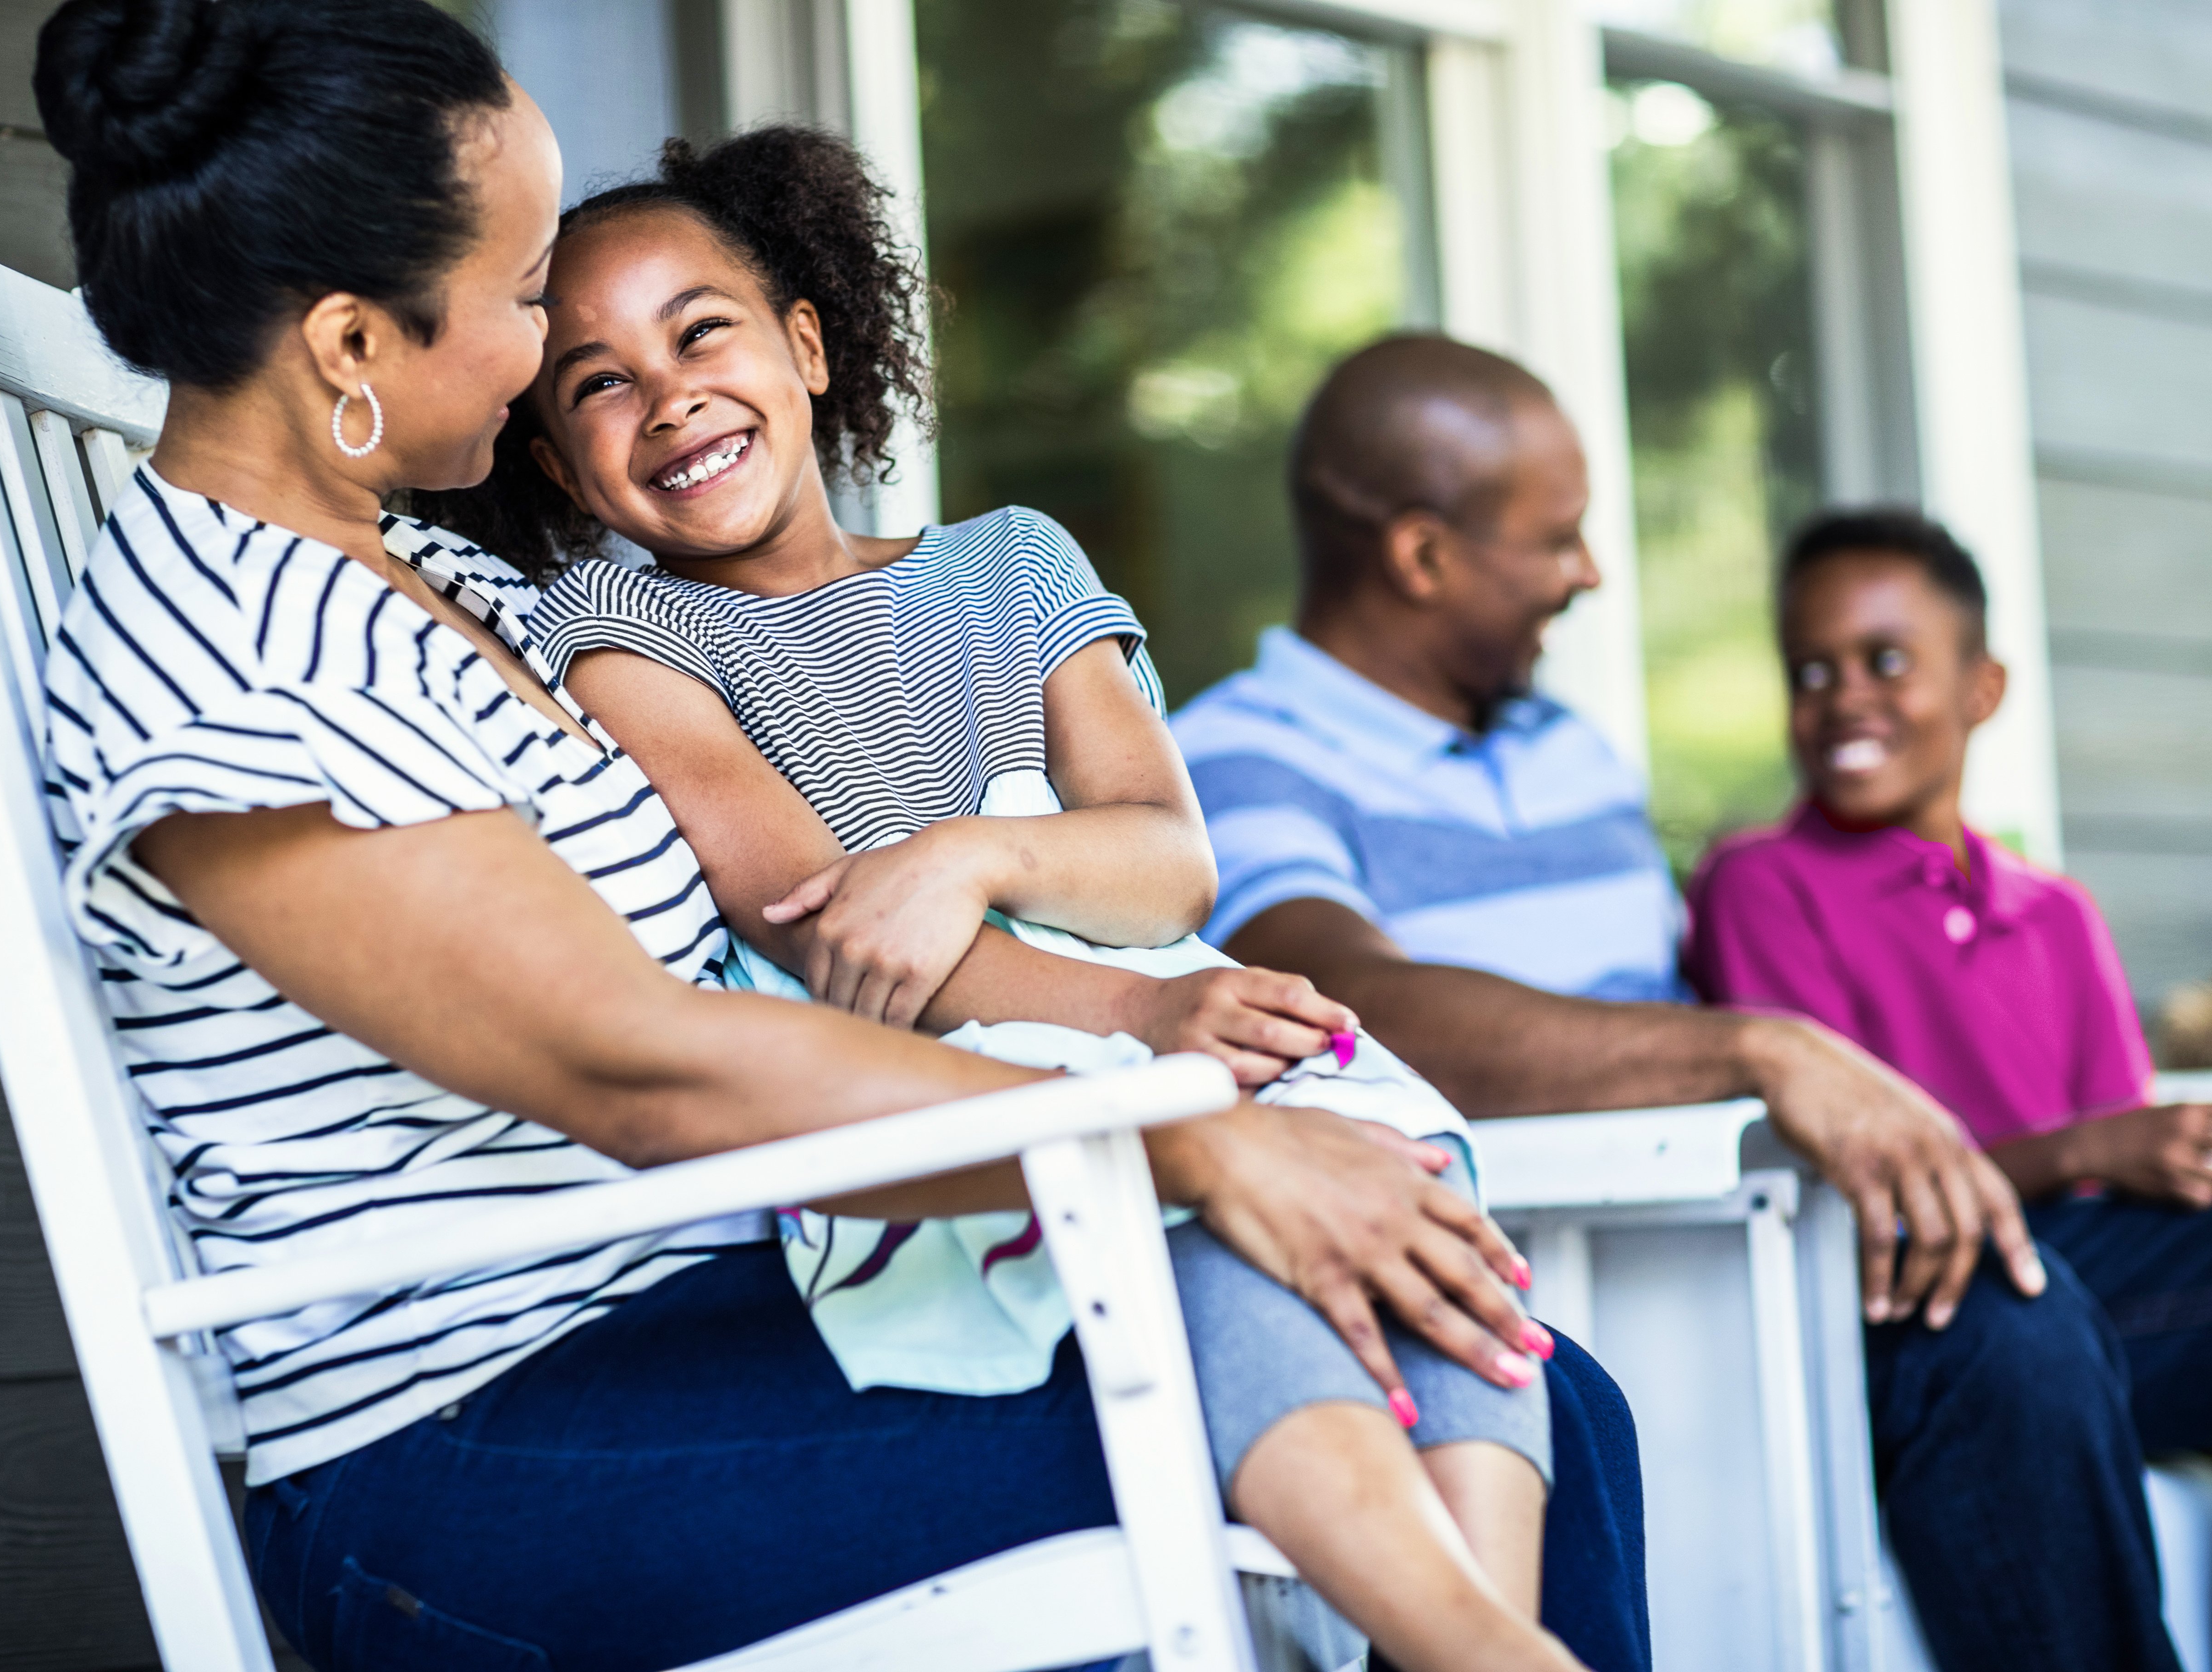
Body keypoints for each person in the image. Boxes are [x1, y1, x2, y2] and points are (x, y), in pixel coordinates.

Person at [27, 5, 1644, 1669]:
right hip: (473, 1440)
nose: (536, 359)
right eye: (528, 304)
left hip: (728, 1297)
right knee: (1334, 1373)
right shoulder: (239, 668)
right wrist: (1181, 1138)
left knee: (1514, 1366)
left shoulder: (440, 577)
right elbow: (639, 1065)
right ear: (353, 345)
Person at [417, 126, 1579, 1671]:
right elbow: (813, 915)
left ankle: (1481, 1634)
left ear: (811, 344)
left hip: (1156, 1007)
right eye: (599, 382)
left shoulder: (1014, 563)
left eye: (702, 333)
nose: (669, 394)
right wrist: (1141, 1007)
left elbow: (1168, 853)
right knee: (1229, 1225)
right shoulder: (617, 621)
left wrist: (977, 853)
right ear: (560, 465)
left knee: (1402, 1194)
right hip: (952, 1083)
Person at [1167, 332, 2173, 1672]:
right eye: (1559, 539)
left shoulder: (1569, 751)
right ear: (1423, 557)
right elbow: (1340, 998)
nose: (1588, 575)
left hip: (1794, 1237)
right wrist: (1764, 1051)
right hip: (1637, 1295)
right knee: (2011, 1346)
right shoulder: (1241, 752)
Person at [1685, 508, 2210, 1672]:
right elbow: (1862, 1175)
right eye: (1810, 671)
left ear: (1982, 688)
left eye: (1885, 661)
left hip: (2082, 1279)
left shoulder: (2055, 910)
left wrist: (2149, 1154)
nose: (1842, 699)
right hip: (1907, 1297)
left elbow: (2112, 1185)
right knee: (2029, 1336)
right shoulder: (1761, 885)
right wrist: (2091, 1147)